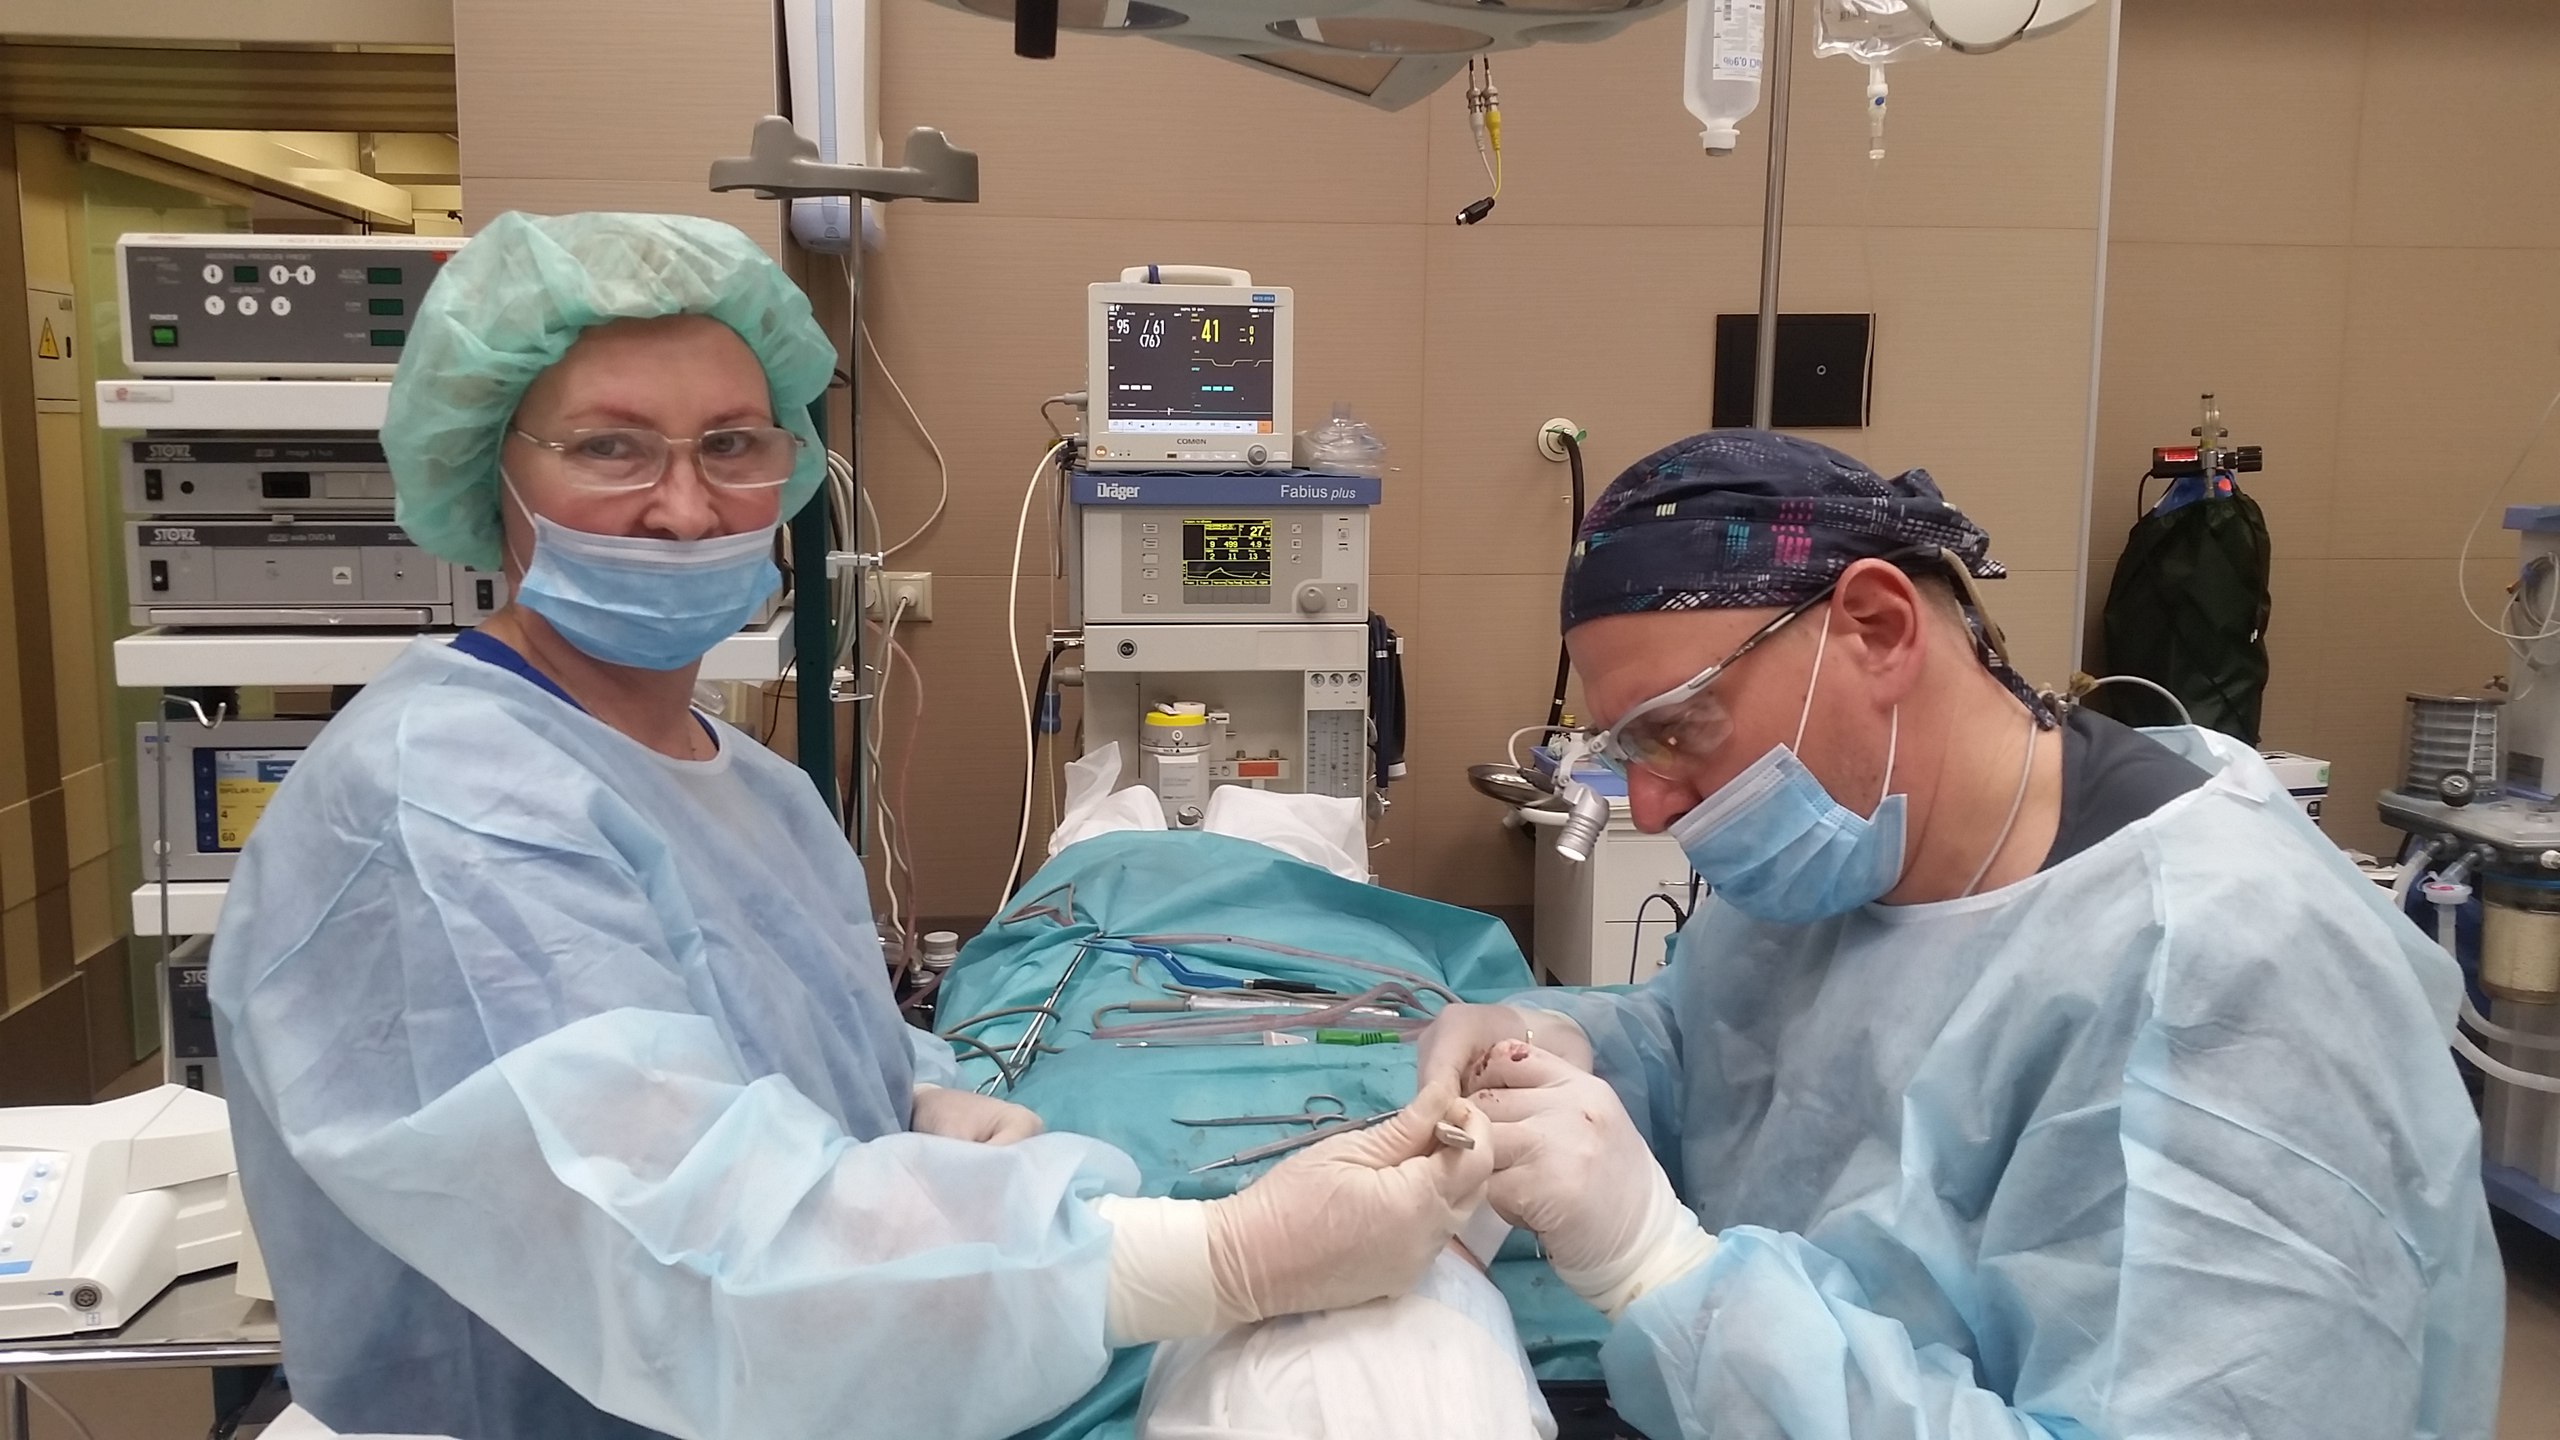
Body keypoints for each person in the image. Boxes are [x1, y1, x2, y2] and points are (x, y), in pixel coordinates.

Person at [209, 211, 1489, 1440]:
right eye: (609, 448)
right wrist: (1222, 1256)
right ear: (488, 464)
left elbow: (770, 1063)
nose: (684, 507)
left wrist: (912, 1096)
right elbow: (678, 1253)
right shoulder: (446, 802)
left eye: (731, 445)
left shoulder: (739, 781)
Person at [1418, 430, 2504, 1439]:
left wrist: (1658, 1270)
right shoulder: (1850, 843)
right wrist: (1572, 1049)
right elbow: (1732, 1053)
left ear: (1877, 629)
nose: (1652, 807)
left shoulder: (2228, 975)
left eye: (1677, 727)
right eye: (1624, 749)